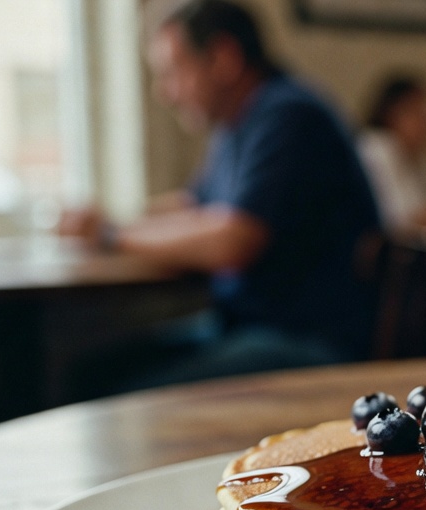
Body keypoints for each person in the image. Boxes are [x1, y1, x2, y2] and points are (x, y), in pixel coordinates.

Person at [61, 0, 380, 389]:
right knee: (91, 372)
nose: (166, 93)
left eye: (174, 71)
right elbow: (193, 205)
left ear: (224, 59)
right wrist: (111, 221)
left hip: (308, 340)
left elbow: (233, 240)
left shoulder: (289, 115)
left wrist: (111, 235)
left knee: (118, 389)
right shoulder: (239, 122)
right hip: (249, 326)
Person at [357, 74, 426, 237]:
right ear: (391, 113)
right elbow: (391, 219)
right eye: (418, 113)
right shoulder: (376, 147)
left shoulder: (420, 158)